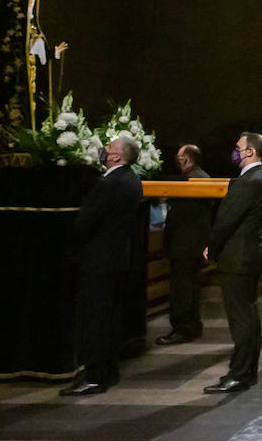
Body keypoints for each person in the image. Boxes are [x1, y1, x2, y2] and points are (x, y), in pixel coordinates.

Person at [61, 136, 144, 396]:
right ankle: (108, 371)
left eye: (109, 148)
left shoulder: (110, 183)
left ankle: (95, 376)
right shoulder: (133, 180)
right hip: (118, 259)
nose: (105, 151)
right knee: (110, 318)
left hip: (98, 261)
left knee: (95, 320)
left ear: (117, 157)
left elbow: (85, 221)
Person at [204, 132, 262, 393]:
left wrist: (212, 247)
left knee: (241, 318)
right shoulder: (261, 177)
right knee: (249, 315)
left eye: (238, 148)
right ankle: (246, 371)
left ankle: (240, 374)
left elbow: (226, 219)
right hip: (250, 255)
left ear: (251, 152)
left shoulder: (248, 181)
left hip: (239, 257)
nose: (234, 152)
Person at [155, 144, 214, 346]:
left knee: (181, 289)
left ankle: (181, 328)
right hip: (195, 243)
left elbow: (180, 216)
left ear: (187, 159)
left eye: (179, 157)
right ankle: (193, 325)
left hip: (184, 243)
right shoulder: (204, 177)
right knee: (192, 287)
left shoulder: (190, 181)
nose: (176, 160)